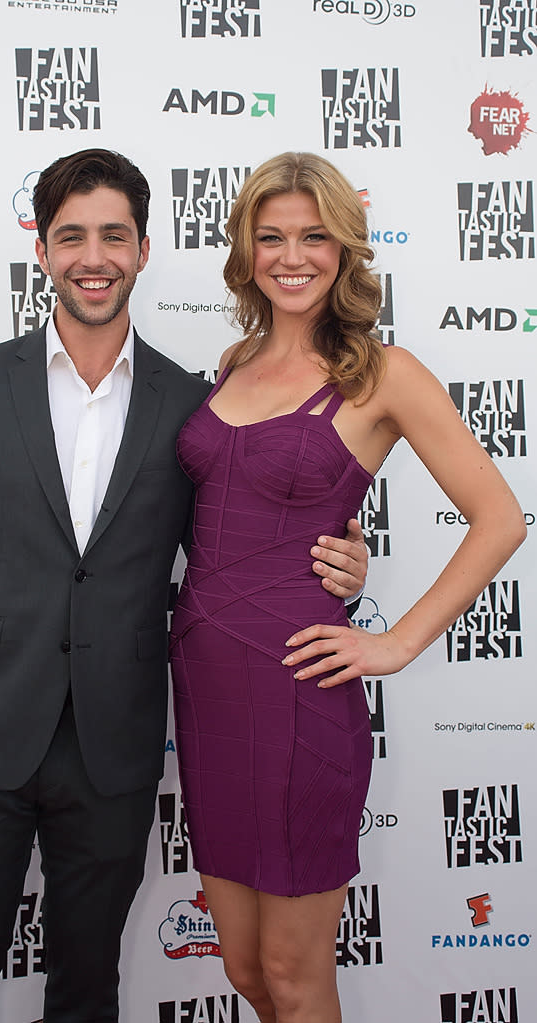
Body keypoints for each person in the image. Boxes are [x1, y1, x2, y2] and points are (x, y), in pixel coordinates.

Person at [0, 148, 368, 1023]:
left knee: (87, 982)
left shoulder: (197, 402)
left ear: (144, 248)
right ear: (42, 249)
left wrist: (342, 553)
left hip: (114, 743)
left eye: (114, 235)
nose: (92, 256)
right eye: (71, 236)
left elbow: (238, 540)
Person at [169, 152, 527, 1023]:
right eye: (272, 236)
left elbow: (501, 518)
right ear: (247, 251)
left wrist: (395, 640)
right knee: (246, 972)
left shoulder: (382, 373)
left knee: (295, 980)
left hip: (301, 691)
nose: (293, 256)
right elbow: (239, 504)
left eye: (315, 236)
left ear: (345, 249)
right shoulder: (230, 362)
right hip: (207, 694)